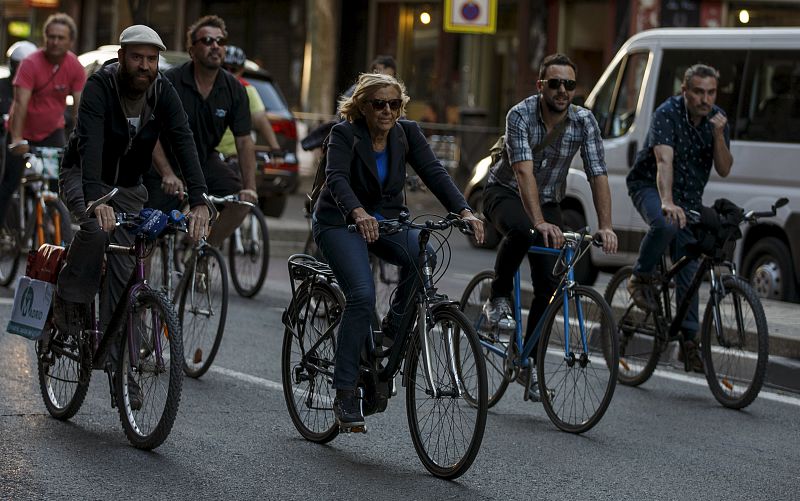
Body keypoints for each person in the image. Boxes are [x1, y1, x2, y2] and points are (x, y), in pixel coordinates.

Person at [312, 72, 483, 430]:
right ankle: (345, 391)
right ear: (362, 106)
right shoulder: (344, 134)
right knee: (361, 294)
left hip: (387, 222)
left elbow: (435, 172)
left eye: (395, 104)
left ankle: (392, 325)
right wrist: (356, 212)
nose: (388, 111)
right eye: (379, 104)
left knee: (426, 256)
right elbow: (337, 178)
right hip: (339, 222)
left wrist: (463, 210)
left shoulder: (407, 133)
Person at [53, 25, 210, 406]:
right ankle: (70, 298)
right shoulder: (99, 87)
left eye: (152, 59)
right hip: (84, 177)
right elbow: (89, 146)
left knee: (126, 279)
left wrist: (200, 199)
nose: (145, 65)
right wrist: (94, 200)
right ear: (122, 57)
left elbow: (183, 140)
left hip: (130, 188)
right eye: (137, 57)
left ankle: (119, 368)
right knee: (94, 228)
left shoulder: (162, 91)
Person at [482, 53, 618, 400]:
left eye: (569, 85)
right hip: (505, 191)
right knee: (525, 231)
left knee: (550, 284)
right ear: (540, 85)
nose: (562, 90)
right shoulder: (520, 115)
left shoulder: (584, 122)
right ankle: (497, 297)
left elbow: (597, 173)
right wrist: (539, 221)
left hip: (550, 200)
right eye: (554, 83)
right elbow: (523, 171)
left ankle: (527, 364)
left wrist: (605, 225)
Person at [626, 63, 733, 373]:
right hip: (650, 185)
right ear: (684, 91)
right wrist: (667, 201)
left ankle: (689, 342)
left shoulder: (718, 119)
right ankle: (639, 277)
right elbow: (663, 160)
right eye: (698, 92)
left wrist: (719, 136)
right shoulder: (667, 113)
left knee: (692, 265)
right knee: (665, 222)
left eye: (710, 92)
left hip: (690, 199)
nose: (705, 99)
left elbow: (725, 168)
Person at [146, 15, 255, 246]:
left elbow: (244, 141)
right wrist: (166, 172)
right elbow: (150, 131)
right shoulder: (169, 81)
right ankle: (142, 277)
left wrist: (250, 188)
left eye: (220, 41)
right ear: (192, 50)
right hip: (165, 161)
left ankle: (203, 251)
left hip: (203, 159)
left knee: (242, 203)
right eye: (206, 40)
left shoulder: (234, 89)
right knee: (151, 230)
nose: (215, 46)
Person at [0, 13, 86, 227]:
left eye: (60, 37)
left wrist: (81, 141)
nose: (55, 41)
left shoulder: (74, 67)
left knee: (58, 184)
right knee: (9, 183)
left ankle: (54, 225)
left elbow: (80, 109)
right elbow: (20, 104)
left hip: (51, 132)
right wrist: (17, 139)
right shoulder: (30, 64)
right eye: (51, 37)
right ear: (45, 38)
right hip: (22, 131)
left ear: (70, 41)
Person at [215, 44, 282, 160]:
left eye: (233, 69)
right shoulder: (206, 86)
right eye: (224, 68)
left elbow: (260, 119)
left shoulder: (247, 90)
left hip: (234, 156)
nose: (228, 73)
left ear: (241, 71)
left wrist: (276, 150)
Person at [0, 41, 38, 172]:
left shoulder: (41, 88)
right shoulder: (2, 86)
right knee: (8, 181)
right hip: (10, 138)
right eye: (19, 66)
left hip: (36, 139)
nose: (23, 71)